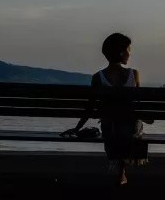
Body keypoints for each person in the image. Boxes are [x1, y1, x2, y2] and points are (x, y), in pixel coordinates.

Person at [61, 32, 151, 186]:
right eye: (129, 49)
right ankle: (123, 171)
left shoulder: (98, 77)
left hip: (110, 129)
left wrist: (77, 128)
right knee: (132, 126)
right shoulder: (133, 74)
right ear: (122, 52)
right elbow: (139, 104)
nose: (130, 53)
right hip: (131, 129)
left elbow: (89, 107)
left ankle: (120, 170)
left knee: (114, 125)